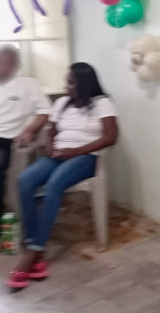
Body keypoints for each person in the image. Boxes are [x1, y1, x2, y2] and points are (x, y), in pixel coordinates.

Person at [8, 63, 118, 289]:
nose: (67, 86)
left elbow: (110, 137)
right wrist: (49, 146)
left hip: (86, 157)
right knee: (25, 180)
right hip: (58, 154)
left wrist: (75, 151)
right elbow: (52, 131)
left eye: (71, 82)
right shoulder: (62, 104)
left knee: (54, 184)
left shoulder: (102, 103)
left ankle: (33, 251)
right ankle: (34, 244)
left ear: (84, 84)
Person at [0, 44, 50, 216]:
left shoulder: (28, 85)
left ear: (17, 66)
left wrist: (29, 130)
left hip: (7, 138)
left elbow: (45, 111)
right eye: (1, 62)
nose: (4, 68)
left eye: (9, 63)